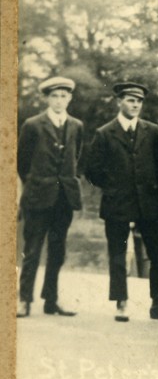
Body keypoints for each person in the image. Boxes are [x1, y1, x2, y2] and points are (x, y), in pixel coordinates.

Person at [83, 82, 158, 322]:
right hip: (117, 204)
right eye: (130, 100)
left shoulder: (152, 130)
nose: (135, 104)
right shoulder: (104, 133)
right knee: (117, 254)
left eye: (138, 101)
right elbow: (92, 170)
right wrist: (113, 186)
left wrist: (155, 186)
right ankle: (121, 303)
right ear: (119, 102)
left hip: (148, 203)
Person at [17, 76, 84, 318]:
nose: (59, 101)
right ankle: (24, 299)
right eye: (54, 96)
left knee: (58, 250)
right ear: (47, 98)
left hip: (64, 197)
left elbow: (77, 157)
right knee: (32, 250)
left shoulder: (76, 125)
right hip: (38, 196)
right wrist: (36, 183)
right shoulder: (33, 125)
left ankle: (51, 299)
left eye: (63, 96)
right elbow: (22, 163)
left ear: (70, 98)